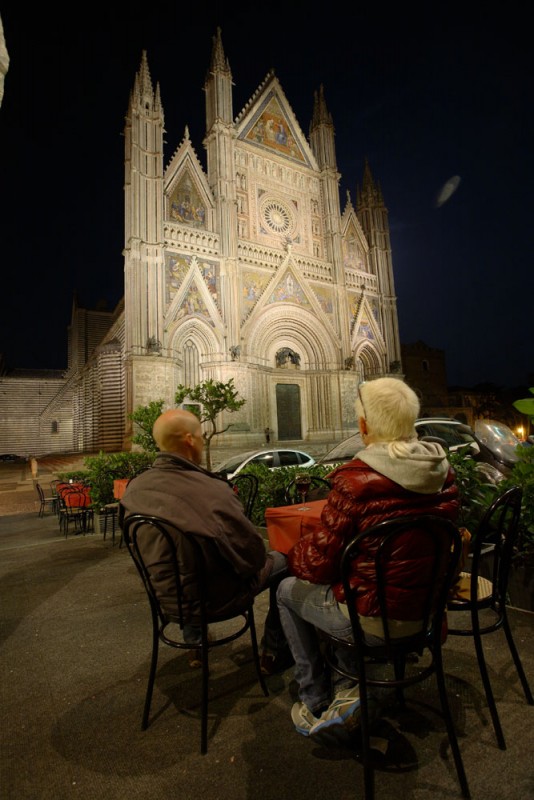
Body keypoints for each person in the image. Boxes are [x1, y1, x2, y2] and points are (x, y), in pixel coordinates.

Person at [277, 377, 459, 738]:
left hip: (374, 620)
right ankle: (353, 690)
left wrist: (291, 553)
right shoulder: (445, 472)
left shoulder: (356, 481)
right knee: (346, 582)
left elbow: (318, 564)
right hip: (429, 614)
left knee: (286, 591)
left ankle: (314, 699)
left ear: (363, 426)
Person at [120, 408, 292, 674]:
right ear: (190, 440)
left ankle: (195, 640)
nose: (202, 440)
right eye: (201, 435)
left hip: (165, 599)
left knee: (184, 561)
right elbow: (253, 557)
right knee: (284, 560)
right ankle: (274, 650)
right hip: (213, 599)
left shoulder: (136, 488)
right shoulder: (211, 490)